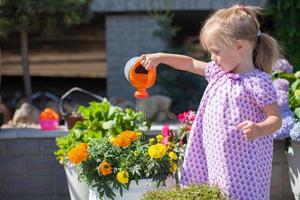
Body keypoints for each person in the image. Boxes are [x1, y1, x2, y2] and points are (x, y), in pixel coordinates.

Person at [140, 4, 282, 200]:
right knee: (212, 193)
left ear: (239, 46)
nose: (213, 58)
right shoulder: (218, 73)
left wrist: (258, 128)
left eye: (216, 52)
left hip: (244, 164)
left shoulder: (257, 82)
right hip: (213, 157)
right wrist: (160, 58)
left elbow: (275, 118)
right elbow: (189, 63)